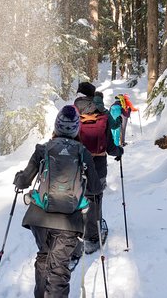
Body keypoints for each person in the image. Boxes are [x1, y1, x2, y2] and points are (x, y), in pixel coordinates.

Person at [13, 105, 102, 298]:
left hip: (40, 218)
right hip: (69, 222)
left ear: (56, 126)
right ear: (77, 128)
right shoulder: (82, 152)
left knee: (44, 258)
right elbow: (95, 187)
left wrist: (18, 177)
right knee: (59, 269)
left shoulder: (43, 149)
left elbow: (24, 181)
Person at [74, 82, 123, 254]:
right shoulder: (102, 113)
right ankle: (93, 238)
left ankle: (74, 235)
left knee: (75, 196)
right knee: (94, 197)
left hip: (76, 163)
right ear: (92, 95)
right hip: (98, 164)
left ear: (79, 94)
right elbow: (110, 146)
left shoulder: (72, 111)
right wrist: (119, 151)